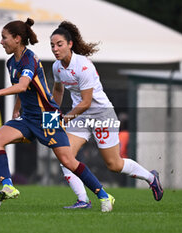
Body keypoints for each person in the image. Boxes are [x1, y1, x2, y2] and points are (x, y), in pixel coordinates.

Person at [0, 18, 115, 212]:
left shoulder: (30, 59)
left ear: (18, 39)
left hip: (48, 117)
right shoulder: (11, 62)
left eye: (4, 38)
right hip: (28, 117)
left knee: (68, 161)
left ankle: (104, 196)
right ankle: (8, 186)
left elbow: (22, 85)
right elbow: (23, 91)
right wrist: (15, 111)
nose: (1, 42)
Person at [50, 21, 163, 209]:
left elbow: (86, 102)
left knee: (114, 164)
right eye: (52, 45)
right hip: (81, 116)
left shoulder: (83, 66)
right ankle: (83, 200)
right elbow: (58, 90)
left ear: (70, 44)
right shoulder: (57, 67)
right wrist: (53, 113)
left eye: (59, 44)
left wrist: (64, 119)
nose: (55, 49)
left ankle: (151, 177)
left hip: (101, 114)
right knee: (65, 157)